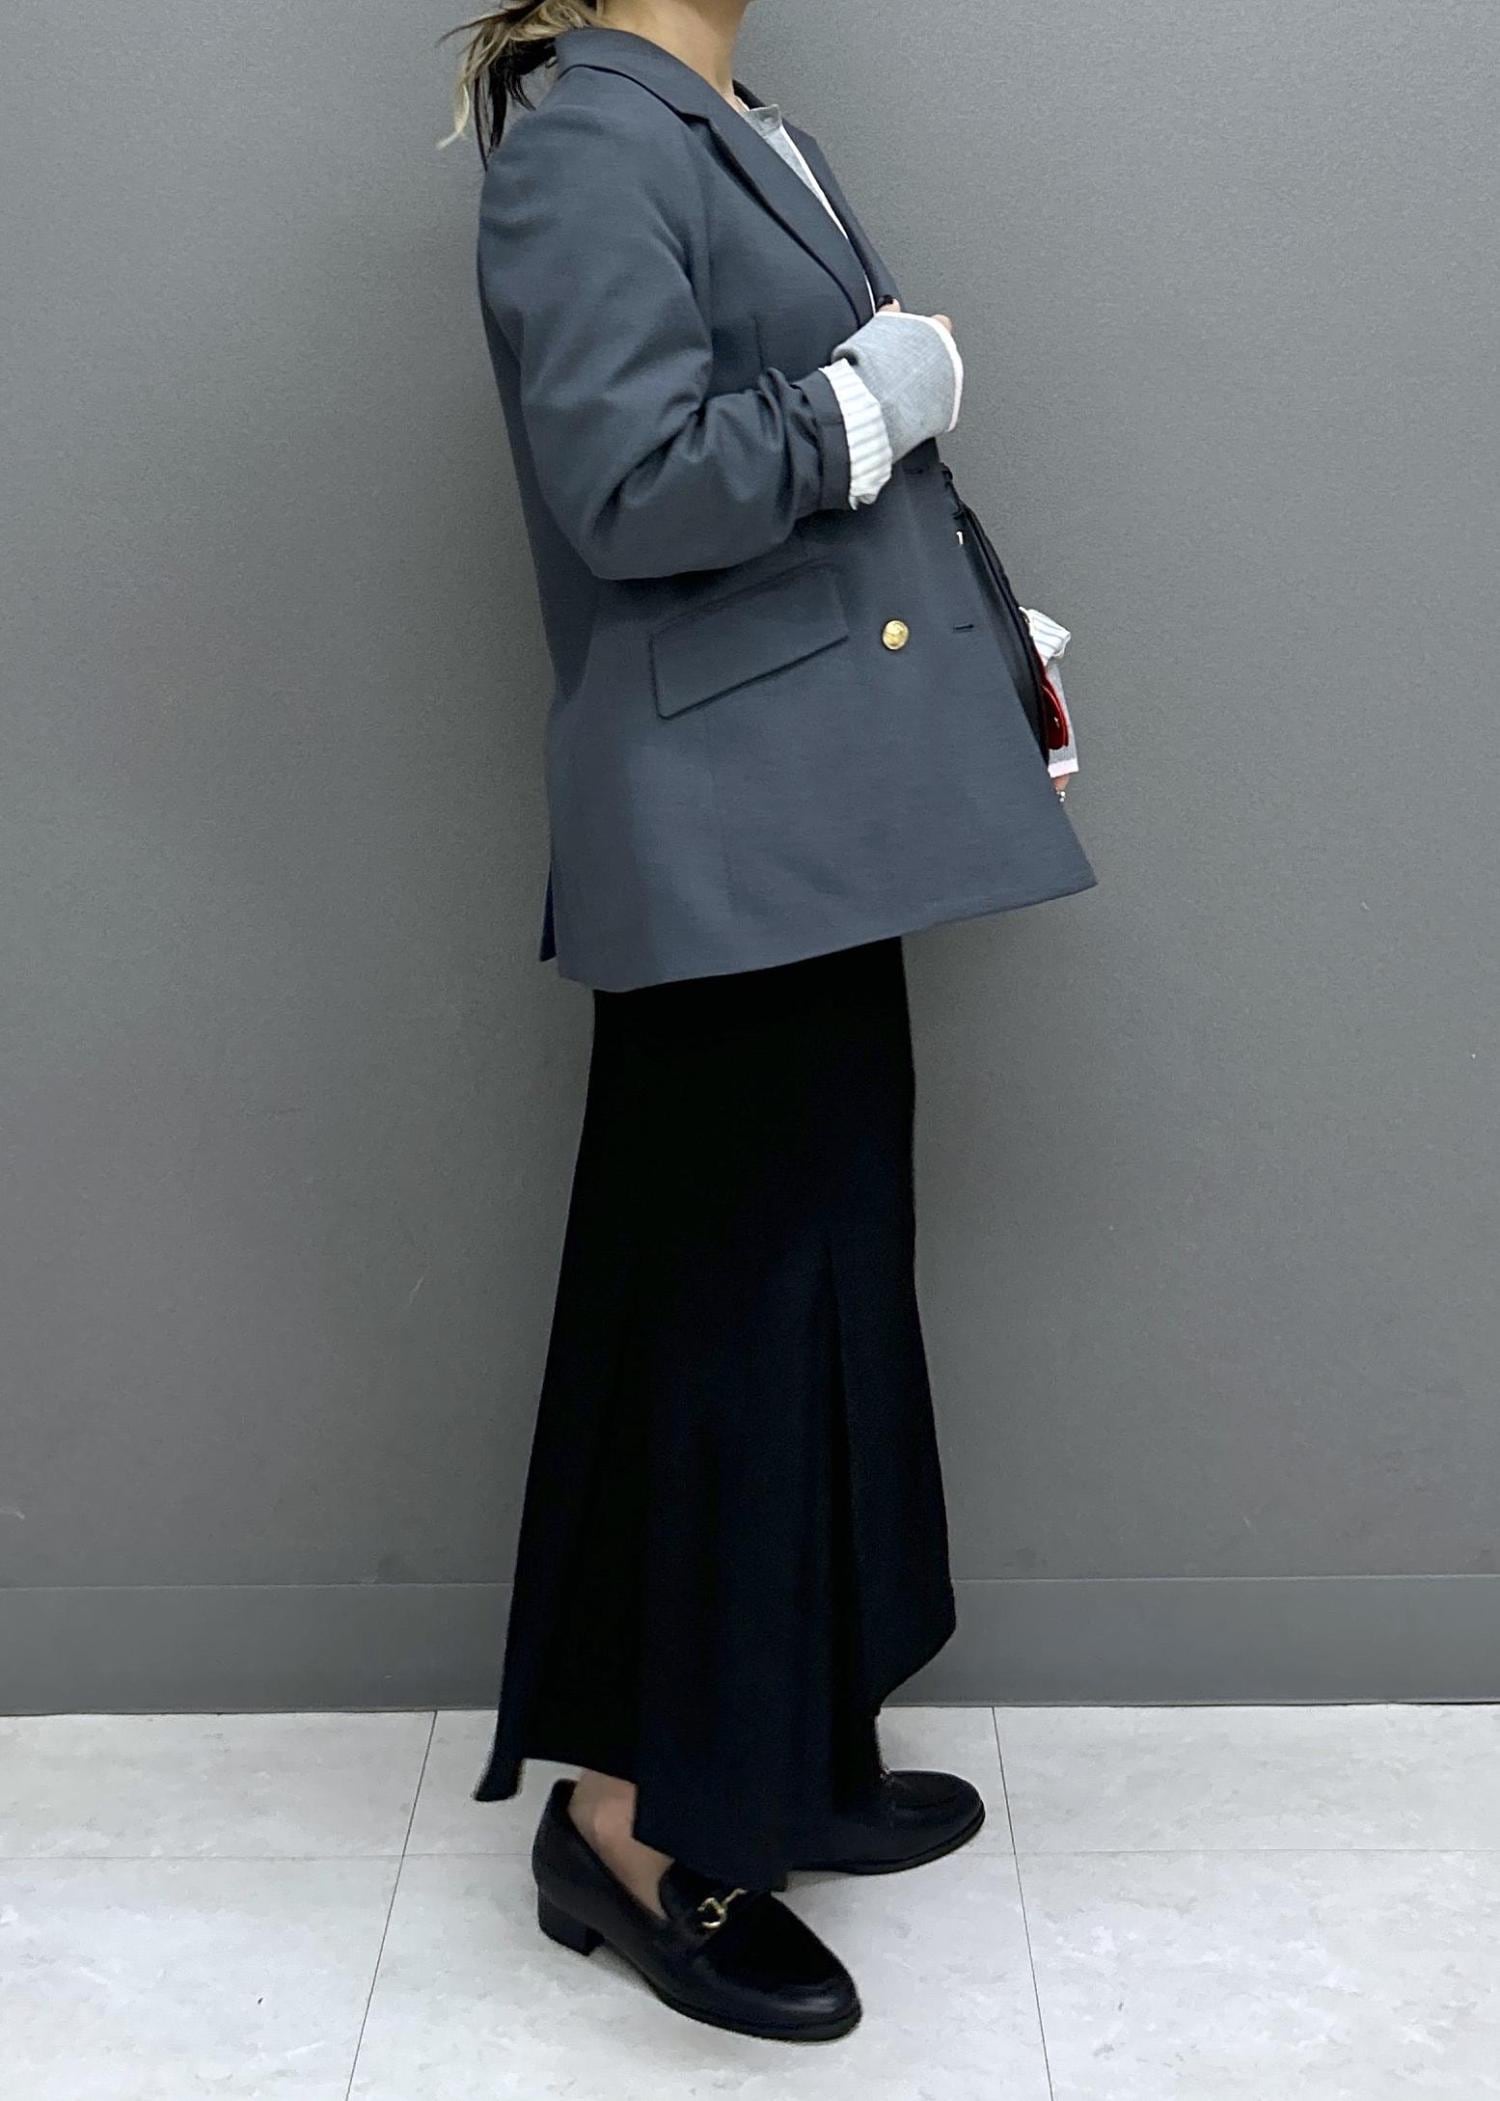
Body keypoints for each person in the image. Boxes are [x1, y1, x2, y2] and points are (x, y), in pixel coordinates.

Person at [441, 0, 1098, 2045]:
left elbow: (843, 495)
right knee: (730, 1321)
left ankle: (782, 1750)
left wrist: (981, 640)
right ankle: (638, 1824)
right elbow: (631, 485)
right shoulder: (591, 142)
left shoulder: (734, 119)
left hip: (809, 821)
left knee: (806, 1285)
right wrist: (870, 400)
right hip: (728, 841)